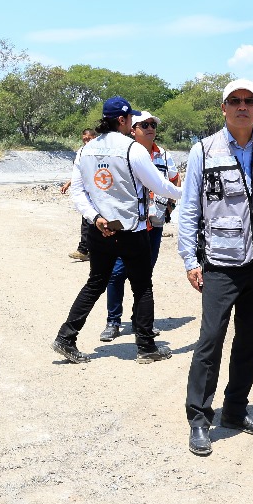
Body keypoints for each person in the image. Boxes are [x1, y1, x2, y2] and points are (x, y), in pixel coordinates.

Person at [178, 80, 253, 455]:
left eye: (249, 101)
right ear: (223, 108)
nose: (243, 106)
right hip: (221, 263)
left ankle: (236, 410)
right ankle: (199, 418)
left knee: (250, 341)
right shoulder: (204, 150)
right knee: (210, 341)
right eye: (235, 101)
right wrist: (190, 260)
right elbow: (190, 208)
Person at [53, 97, 182, 364]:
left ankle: (66, 337)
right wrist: (188, 194)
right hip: (132, 230)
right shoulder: (133, 150)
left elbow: (78, 191)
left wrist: (95, 217)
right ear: (123, 120)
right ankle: (146, 347)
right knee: (142, 286)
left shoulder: (85, 151)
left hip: (100, 229)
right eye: (132, 120)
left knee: (96, 282)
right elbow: (159, 186)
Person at [100, 111, 180, 341]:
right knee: (116, 274)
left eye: (153, 124)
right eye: (144, 124)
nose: (150, 128)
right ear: (132, 130)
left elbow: (174, 178)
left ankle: (139, 320)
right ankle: (113, 321)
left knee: (144, 274)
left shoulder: (163, 155)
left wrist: (171, 204)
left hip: (153, 225)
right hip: (128, 225)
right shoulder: (124, 152)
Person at [62, 128, 97, 261]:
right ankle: (84, 249)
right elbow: (80, 173)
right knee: (87, 221)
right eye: (84, 139)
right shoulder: (82, 153)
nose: (86, 141)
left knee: (91, 223)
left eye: (89, 138)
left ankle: (86, 250)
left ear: (95, 137)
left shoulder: (99, 153)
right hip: (87, 194)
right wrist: (69, 183)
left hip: (98, 193)